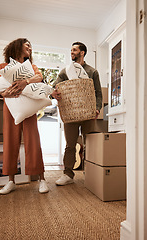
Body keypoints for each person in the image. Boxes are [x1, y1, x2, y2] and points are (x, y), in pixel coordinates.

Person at [0, 38, 49, 194]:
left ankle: (42, 179)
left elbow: (39, 77)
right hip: (10, 107)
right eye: (27, 45)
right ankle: (11, 181)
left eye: (31, 46)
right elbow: (0, 88)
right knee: (10, 141)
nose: (30, 48)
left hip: (29, 107)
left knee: (33, 140)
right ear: (17, 46)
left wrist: (24, 82)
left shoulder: (32, 67)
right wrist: (4, 93)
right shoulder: (3, 66)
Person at [52, 42, 102, 186]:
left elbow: (98, 93)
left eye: (74, 50)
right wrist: (54, 94)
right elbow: (56, 86)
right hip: (70, 113)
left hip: (88, 113)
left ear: (82, 52)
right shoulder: (65, 71)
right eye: (71, 50)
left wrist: (97, 108)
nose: (71, 52)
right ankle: (68, 174)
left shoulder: (92, 72)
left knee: (90, 144)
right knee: (70, 145)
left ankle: (91, 172)